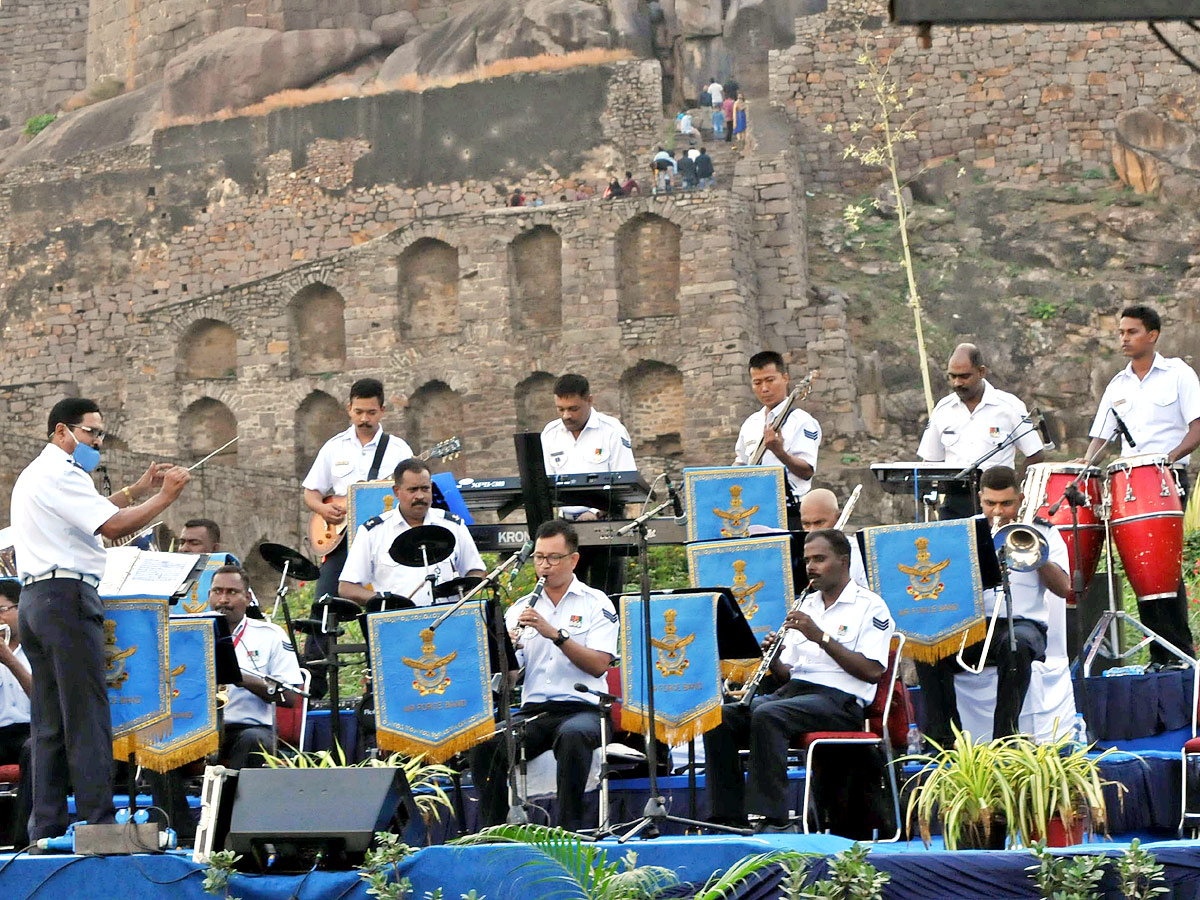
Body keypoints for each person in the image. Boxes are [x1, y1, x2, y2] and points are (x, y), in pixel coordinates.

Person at [11, 397, 190, 841]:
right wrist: (167, 496)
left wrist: (138, 489)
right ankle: (100, 821)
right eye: (90, 432)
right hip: (68, 598)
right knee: (88, 714)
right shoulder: (63, 472)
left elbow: (93, 513)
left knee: (49, 722)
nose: (97, 442)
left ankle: (46, 825)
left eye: (101, 434)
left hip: (37, 599)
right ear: (60, 432)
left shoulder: (40, 473)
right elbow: (111, 527)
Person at [704, 529, 893, 834]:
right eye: (808, 560)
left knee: (769, 715)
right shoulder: (805, 604)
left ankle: (774, 819)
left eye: (820, 559)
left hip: (841, 700)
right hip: (797, 692)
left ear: (843, 561)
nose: (811, 567)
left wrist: (820, 636)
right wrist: (775, 658)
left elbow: (872, 671)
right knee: (721, 716)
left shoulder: (870, 606)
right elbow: (788, 675)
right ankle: (726, 819)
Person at [468, 520, 618, 833]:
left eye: (553, 558)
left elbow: (599, 665)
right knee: (485, 745)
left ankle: (568, 830)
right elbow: (508, 681)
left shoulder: (595, 603)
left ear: (573, 560)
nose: (543, 565)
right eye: (538, 557)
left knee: (573, 735)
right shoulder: (520, 608)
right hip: (536, 711)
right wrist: (505, 651)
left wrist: (555, 634)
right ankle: (496, 832)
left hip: (585, 709)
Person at [919, 467, 1069, 747]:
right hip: (974, 624)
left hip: (1022, 624)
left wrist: (1036, 554)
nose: (997, 511)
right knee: (929, 647)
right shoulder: (965, 531)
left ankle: (1005, 738)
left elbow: (1063, 588)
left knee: (1016, 645)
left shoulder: (1043, 531)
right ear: (980, 499)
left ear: (1021, 499)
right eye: (990, 504)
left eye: (1006, 503)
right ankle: (943, 741)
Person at [1084, 305, 1200, 665]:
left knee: (1163, 567)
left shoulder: (1178, 374)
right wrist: (1084, 465)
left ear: (1152, 335)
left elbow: (1197, 426)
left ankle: (1177, 653)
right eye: (1121, 332)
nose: (1123, 338)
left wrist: (1169, 457)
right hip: (1128, 484)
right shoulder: (1117, 385)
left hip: (1166, 479)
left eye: (1131, 332)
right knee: (1140, 566)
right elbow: (1101, 439)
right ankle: (1158, 655)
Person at [301, 379, 412, 690]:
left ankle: (393, 675)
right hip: (343, 540)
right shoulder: (334, 447)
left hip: (384, 541)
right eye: (359, 412)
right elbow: (311, 492)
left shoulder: (398, 449)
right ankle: (315, 681)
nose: (365, 419)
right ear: (349, 409)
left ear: (383, 411)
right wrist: (324, 511)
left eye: (372, 413)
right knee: (324, 601)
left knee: (387, 602)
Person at [918, 343, 1045, 519]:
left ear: (981, 372)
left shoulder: (1009, 406)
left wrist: (1014, 488)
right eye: (952, 376)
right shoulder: (943, 409)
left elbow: (1036, 454)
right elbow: (930, 460)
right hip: (955, 502)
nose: (957, 383)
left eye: (964, 376)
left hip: (998, 504)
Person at [338, 458, 485, 607]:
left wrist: (463, 593)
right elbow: (347, 587)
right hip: (396, 622)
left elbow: (476, 571)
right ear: (397, 491)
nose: (420, 496)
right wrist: (386, 602)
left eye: (425, 488)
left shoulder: (453, 525)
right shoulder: (372, 532)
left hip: (448, 618)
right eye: (413, 490)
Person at [540, 374, 636, 594]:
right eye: (560, 409)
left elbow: (625, 482)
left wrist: (595, 511)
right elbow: (546, 484)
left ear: (589, 400)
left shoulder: (612, 430)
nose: (566, 415)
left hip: (606, 523)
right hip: (566, 528)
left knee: (607, 594)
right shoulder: (550, 434)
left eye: (573, 409)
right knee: (566, 594)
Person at [734, 351, 821, 522]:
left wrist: (779, 452)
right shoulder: (751, 423)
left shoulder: (802, 422)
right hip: (753, 509)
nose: (764, 388)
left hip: (791, 510)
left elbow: (807, 471)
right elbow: (741, 461)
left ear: (785, 378)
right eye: (757, 383)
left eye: (770, 380)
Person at [0, 581, 32, 847]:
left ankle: (20, 840)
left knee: (36, 751)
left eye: (2, 609)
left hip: (31, 730)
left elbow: (43, 699)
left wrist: (8, 660)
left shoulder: (39, 649)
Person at [799, 489, 868, 589]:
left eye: (819, 523)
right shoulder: (794, 554)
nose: (812, 531)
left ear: (838, 518)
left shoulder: (859, 553)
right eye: (806, 524)